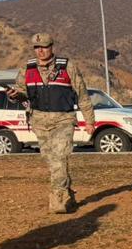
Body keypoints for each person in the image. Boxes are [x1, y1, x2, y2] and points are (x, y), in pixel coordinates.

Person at [6, 33, 96, 213]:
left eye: (44, 47)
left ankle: (58, 199)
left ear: (52, 47)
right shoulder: (27, 69)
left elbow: (82, 95)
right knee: (51, 160)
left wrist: (89, 121)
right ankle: (68, 193)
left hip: (63, 119)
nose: (40, 51)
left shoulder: (67, 66)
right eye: (37, 48)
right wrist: (15, 95)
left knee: (59, 158)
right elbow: (22, 93)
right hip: (39, 121)